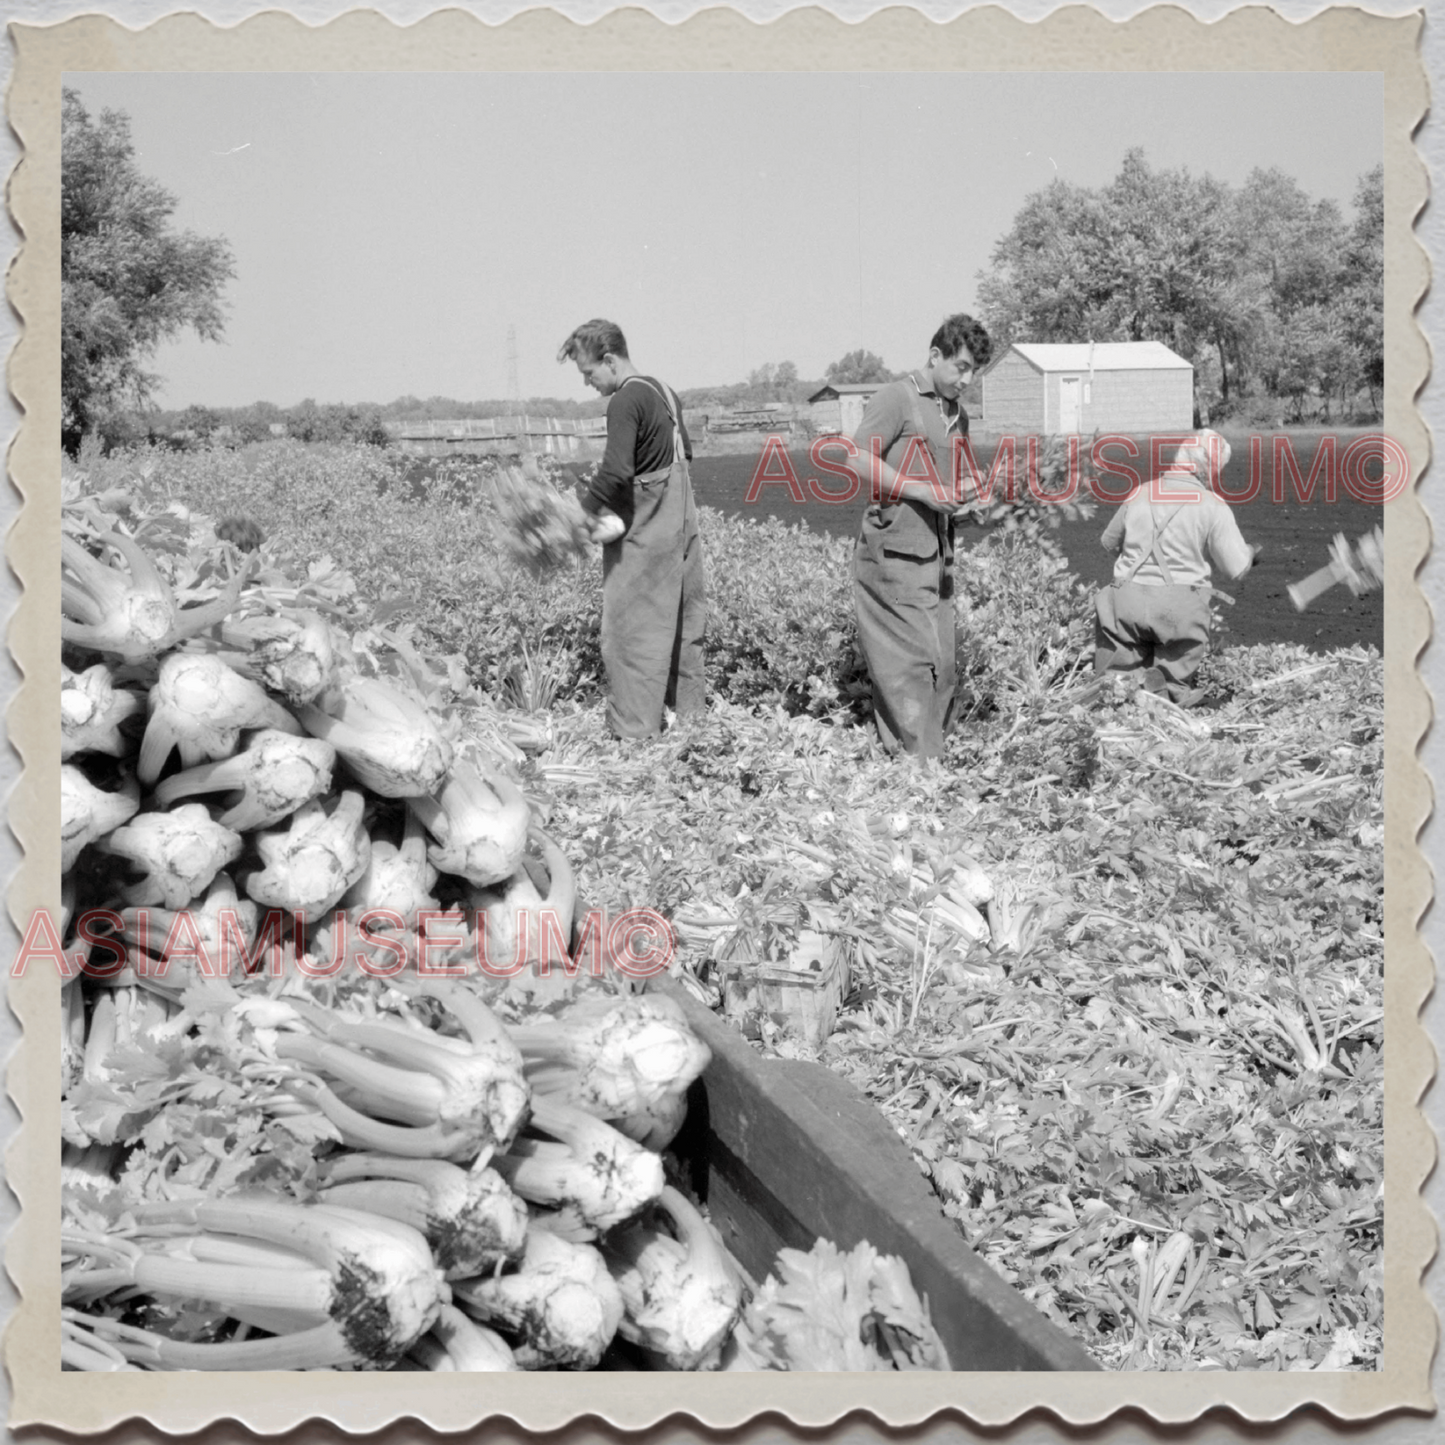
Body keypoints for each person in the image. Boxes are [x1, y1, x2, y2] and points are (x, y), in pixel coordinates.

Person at [846, 313, 993, 758]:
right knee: (907, 666)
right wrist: (923, 491)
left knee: (943, 665)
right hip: (894, 555)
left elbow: (951, 491)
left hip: (938, 557)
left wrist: (971, 509)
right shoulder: (897, 398)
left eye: (974, 372)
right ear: (935, 355)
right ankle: (914, 768)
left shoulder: (956, 416)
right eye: (961, 367)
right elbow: (855, 458)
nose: (967, 380)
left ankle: (929, 759)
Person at [557, 318, 707, 739]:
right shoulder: (665, 392)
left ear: (608, 359)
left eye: (589, 373)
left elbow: (616, 472)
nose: (588, 383)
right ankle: (690, 724)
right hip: (681, 527)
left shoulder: (624, 401)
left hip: (647, 536)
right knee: (682, 623)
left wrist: (580, 518)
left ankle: (634, 734)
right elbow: (682, 458)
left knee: (629, 632)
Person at [1093, 429, 1258, 706]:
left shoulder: (1139, 493)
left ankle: (1117, 722)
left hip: (1125, 604)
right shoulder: (1213, 505)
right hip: (1178, 612)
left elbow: (1109, 543)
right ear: (1211, 468)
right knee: (1169, 693)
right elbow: (1236, 568)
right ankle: (1164, 712)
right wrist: (1251, 553)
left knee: (1115, 688)